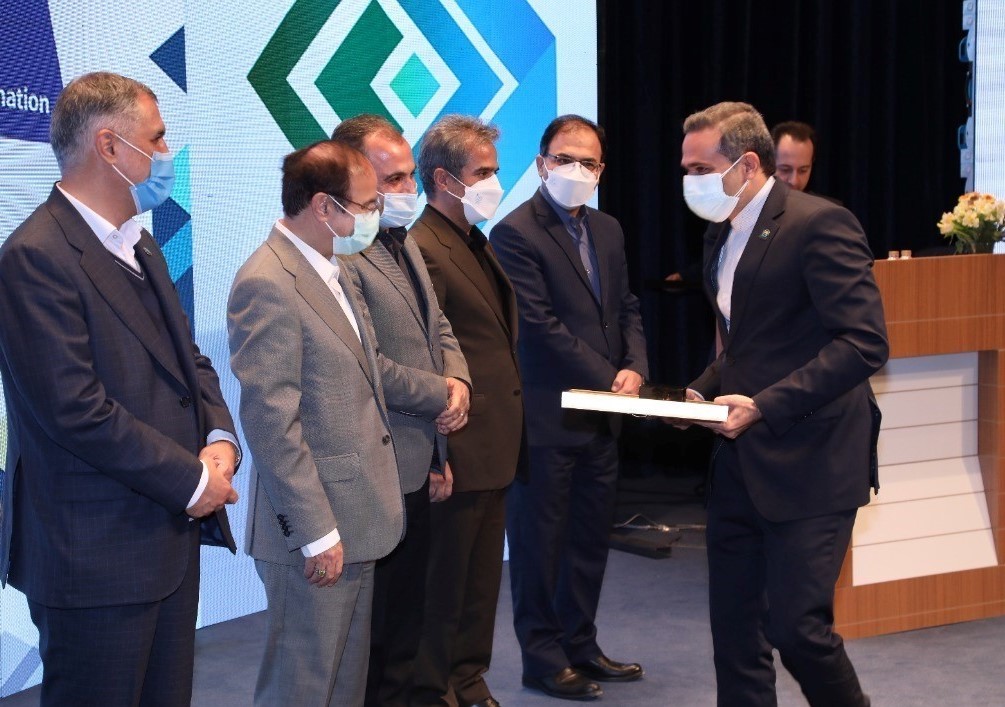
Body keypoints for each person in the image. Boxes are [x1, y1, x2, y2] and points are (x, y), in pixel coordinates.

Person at [0, 71, 240, 706]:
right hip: (94, 558)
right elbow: (75, 411)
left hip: (165, 542)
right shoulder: (35, 255)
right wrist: (192, 480)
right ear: (109, 147)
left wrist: (219, 435)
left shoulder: (141, 244)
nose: (167, 154)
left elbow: (188, 360)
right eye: (156, 139)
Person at [228, 139, 453, 706]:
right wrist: (316, 531)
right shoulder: (268, 282)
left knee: (344, 686)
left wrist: (442, 392)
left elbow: (370, 369)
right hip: (318, 529)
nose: (377, 213)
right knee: (301, 688)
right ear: (324, 206)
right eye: (368, 203)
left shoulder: (336, 269)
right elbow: (271, 421)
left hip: (360, 515)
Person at [679, 101, 887, 706]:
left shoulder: (820, 223)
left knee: (798, 631)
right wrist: (704, 386)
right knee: (735, 633)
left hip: (814, 459)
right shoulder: (720, 233)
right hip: (739, 465)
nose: (689, 181)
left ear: (746, 165)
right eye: (686, 169)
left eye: (700, 168)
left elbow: (864, 342)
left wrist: (765, 404)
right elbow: (748, 340)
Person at [491, 115, 649, 702]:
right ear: (541, 163)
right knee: (539, 545)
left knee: (588, 540)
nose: (576, 170)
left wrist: (635, 367)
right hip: (546, 418)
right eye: (565, 159)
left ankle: (581, 645)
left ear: (602, 170)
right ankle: (542, 658)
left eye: (589, 162)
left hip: (601, 418)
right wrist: (610, 377)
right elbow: (539, 327)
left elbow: (626, 306)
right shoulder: (514, 233)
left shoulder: (607, 228)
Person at [330, 114, 472, 706]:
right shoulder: (341, 253)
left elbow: (439, 327)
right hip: (374, 470)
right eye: (393, 179)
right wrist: (441, 395)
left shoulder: (404, 239)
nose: (409, 189)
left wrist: (458, 382)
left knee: (408, 629)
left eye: (410, 174)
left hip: (418, 462)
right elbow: (369, 362)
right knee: (374, 639)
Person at [408, 115, 525, 707]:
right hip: (458, 446)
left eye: (495, 171)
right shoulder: (425, 247)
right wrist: (438, 453)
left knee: (480, 584)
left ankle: (469, 679)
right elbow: (428, 355)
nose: (494, 183)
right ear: (443, 179)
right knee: (444, 588)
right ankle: (437, 690)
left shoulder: (477, 240)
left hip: (495, 444)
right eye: (483, 172)